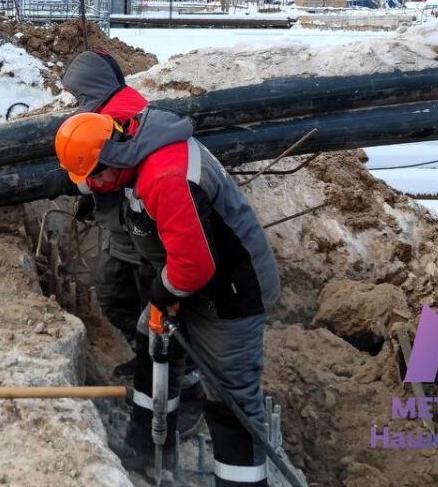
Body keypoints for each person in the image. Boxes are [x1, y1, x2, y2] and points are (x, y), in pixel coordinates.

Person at [55, 102, 280, 486]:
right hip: (191, 283)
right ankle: (147, 451)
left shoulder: (166, 176)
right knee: (152, 348)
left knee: (230, 398)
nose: (89, 187)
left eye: (92, 177)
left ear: (112, 159)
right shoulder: (132, 150)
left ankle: (241, 480)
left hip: (230, 294)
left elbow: (195, 264)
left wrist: (163, 293)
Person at [60, 51, 151, 347]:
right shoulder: (123, 100)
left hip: (134, 228)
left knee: (117, 293)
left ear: (89, 87)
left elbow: (109, 173)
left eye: (76, 95)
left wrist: (75, 182)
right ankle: (150, 359)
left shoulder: (113, 118)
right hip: (130, 224)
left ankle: (157, 363)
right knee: (135, 295)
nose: (74, 102)